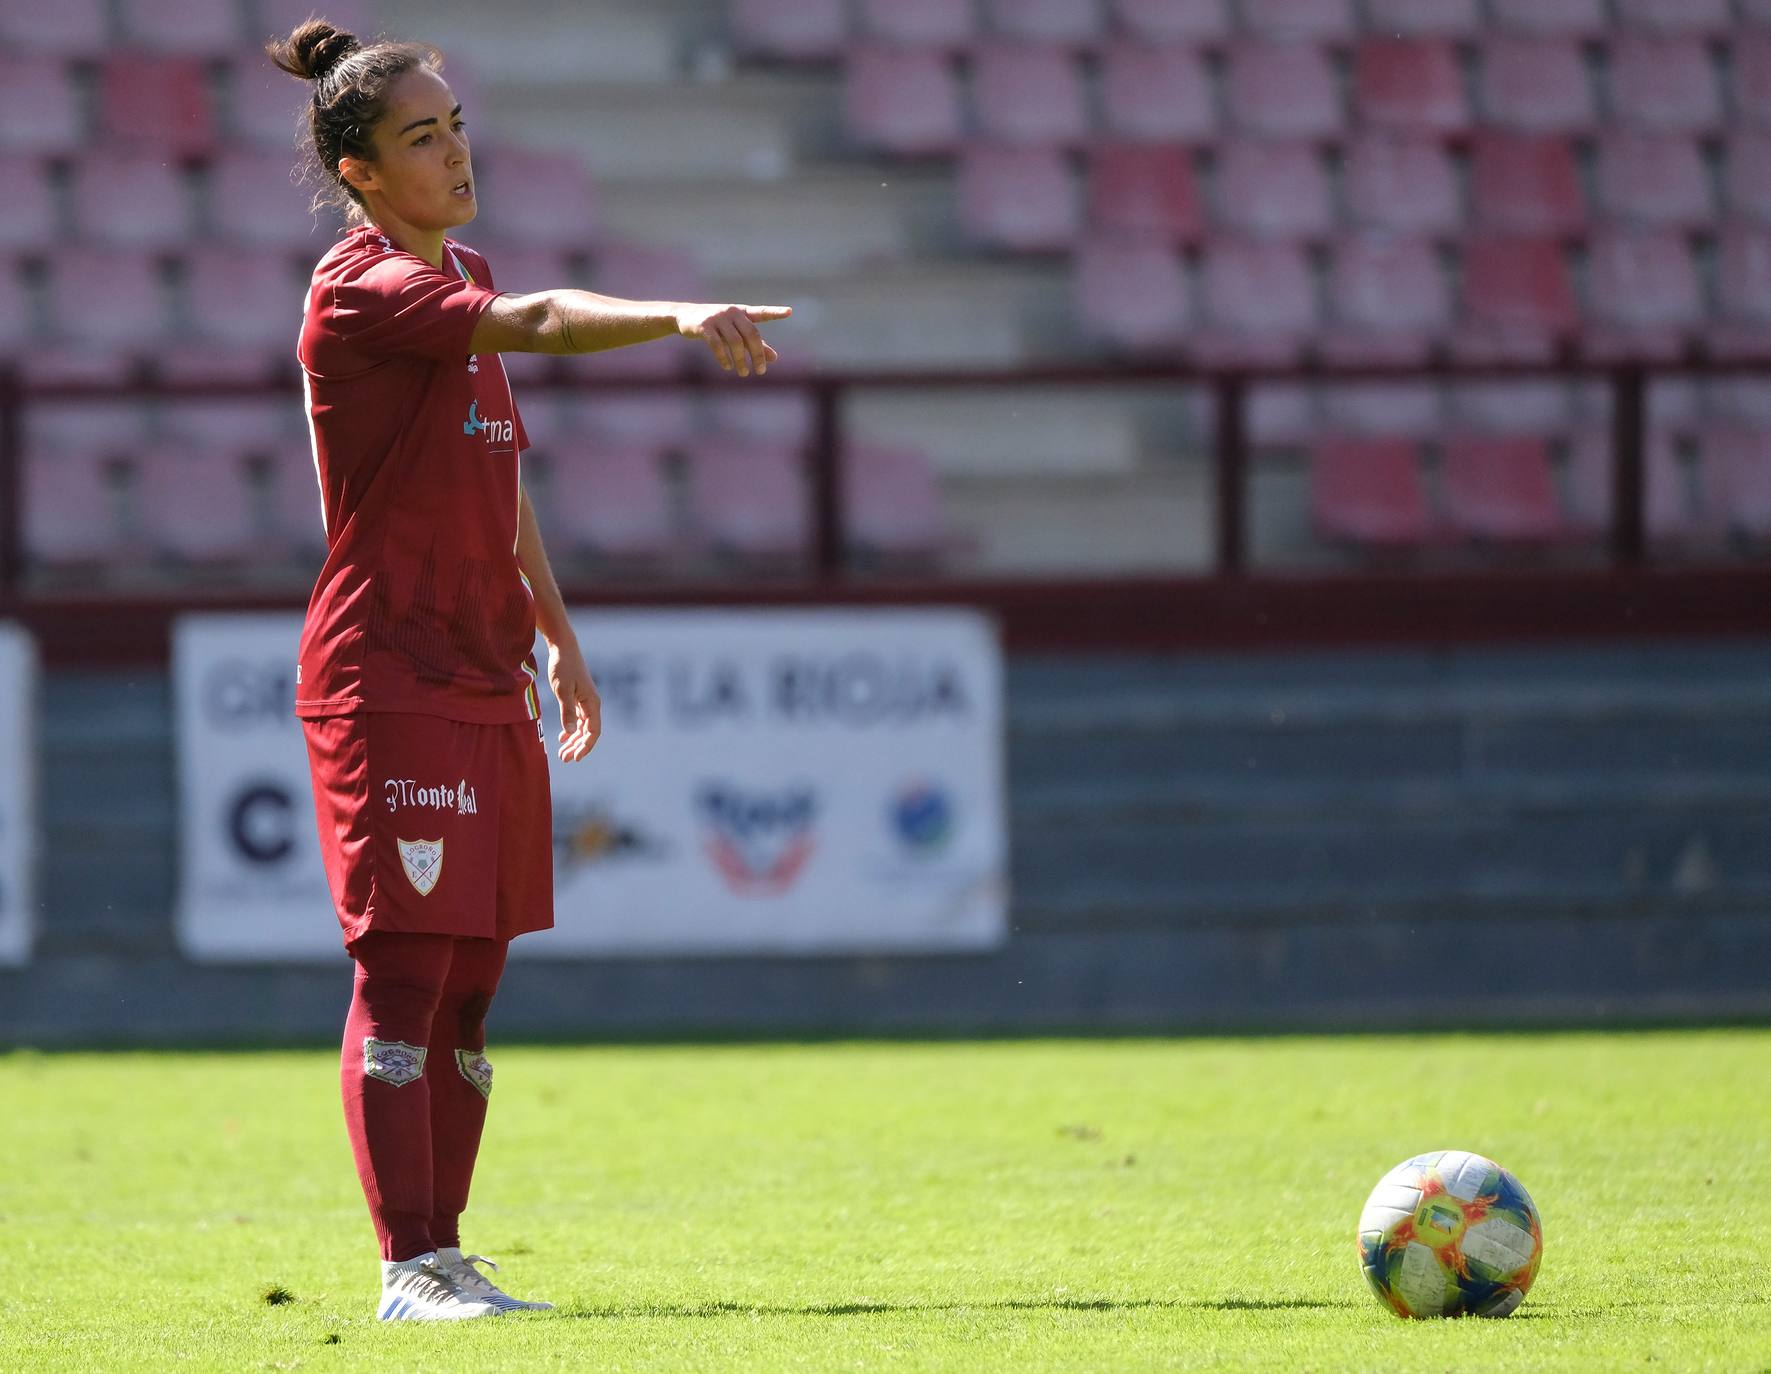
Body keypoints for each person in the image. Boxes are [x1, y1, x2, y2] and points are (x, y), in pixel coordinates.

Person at [266, 17, 791, 1322]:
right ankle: (406, 1267)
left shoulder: (463, 269)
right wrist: (679, 313)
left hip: (484, 671)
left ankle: (446, 1252)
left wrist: (555, 631)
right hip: (385, 672)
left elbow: (500, 477)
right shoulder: (360, 288)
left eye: (454, 127)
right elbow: (546, 323)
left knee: (477, 979)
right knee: (404, 968)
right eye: (419, 137)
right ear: (361, 171)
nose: (452, 153)